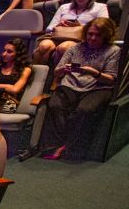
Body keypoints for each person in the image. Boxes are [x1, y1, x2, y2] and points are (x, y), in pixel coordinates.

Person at [39, 17, 120, 160]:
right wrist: (62, 70)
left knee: (84, 110)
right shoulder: (75, 48)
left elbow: (111, 78)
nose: (92, 38)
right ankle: (54, 146)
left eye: (98, 35)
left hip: (98, 87)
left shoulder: (113, 51)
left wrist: (93, 73)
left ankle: (71, 148)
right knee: (55, 105)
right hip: (71, 84)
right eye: (90, 34)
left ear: (106, 36)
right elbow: (57, 72)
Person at [33, 0, 108, 67]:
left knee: (64, 48)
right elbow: (49, 28)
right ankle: (37, 73)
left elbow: (103, 27)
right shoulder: (64, 7)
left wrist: (82, 27)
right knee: (44, 46)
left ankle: (57, 74)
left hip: (81, 39)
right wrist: (59, 25)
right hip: (58, 36)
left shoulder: (100, 7)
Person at [0, 39, 33, 113]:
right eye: (4, 51)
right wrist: (8, 86)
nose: (4, 54)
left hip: (9, 101)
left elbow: (15, 89)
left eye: (9, 52)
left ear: (18, 54)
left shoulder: (25, 70)